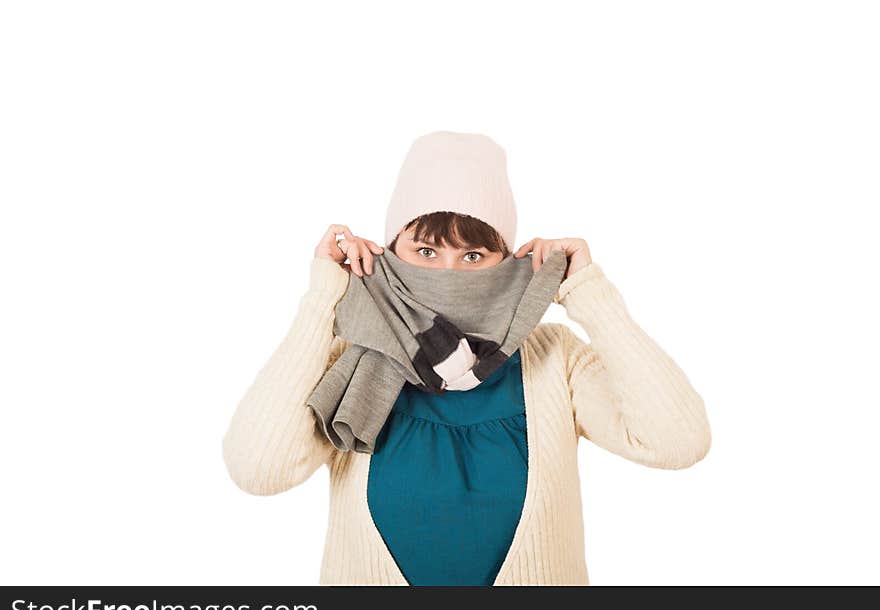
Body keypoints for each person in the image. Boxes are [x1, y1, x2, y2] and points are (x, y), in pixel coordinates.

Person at [222, 130, 711, 585]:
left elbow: (678, 441)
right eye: (426, 252)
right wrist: (324, 300)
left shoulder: (555, 359)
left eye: (473, 255)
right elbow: (259, 470)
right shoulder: (352, 358)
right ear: (389, 251)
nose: (449, 272)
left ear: (506, 262)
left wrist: (587, 291)